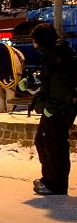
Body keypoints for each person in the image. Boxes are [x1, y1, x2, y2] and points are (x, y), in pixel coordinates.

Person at [19, 23, 77, 195]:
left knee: (55, 147)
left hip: (58, 110)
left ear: (41, 40)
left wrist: (50, 109)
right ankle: (49, 179)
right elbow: (48, 81)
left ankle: (55, 185)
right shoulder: (51, 55)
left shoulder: (59, 57)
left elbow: (61, 88)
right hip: (54, 109)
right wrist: (30, 84)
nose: (33, 44)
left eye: (34, 40)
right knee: (44, 143)